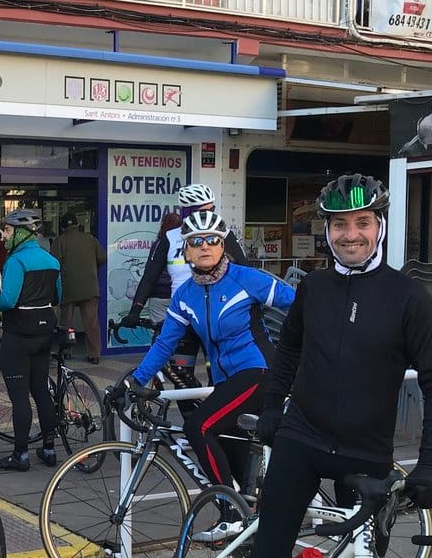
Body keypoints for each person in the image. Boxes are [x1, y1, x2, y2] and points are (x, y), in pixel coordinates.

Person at [213, 174, 432, 558]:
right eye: (340, 225)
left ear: (379, 227)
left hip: (366, 453)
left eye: (362, 223)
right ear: (326, 230)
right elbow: (290, 348)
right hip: (303, 436)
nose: (351, 234)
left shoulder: (407, 298)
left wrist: (428, 465)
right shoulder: (314, 288)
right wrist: (273, 406)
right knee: (272, 544)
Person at [118, 211, 294, 490]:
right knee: (231, 462)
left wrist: (303, 351)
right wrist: (133, 381)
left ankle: (227, 507)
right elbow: (165, 343)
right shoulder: (185, 295)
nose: (205, 246)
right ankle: (240, 517)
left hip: (258, 373)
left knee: (197, 427)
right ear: (185, 250)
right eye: (196, 241)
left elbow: (299, 305)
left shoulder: (246, 279)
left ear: (223, 245)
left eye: (212, 240)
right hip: (225, 382)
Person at [0, 209, 61, 471]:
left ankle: (20, 455)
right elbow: (58, 296)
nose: (4, 236)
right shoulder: (51, 260)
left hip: (18, 335)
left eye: (7, 230)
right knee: (41, 391)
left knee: (19, 396)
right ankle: (49, 449)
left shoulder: (16, 261)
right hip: (44, 333)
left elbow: (8, 300)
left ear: (20, 233)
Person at [122, 183, 248, 329]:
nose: (209, 215)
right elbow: (150, 277)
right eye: (204, 211)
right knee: (170, 351)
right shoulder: (170, 237)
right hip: (181, 314)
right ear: (188, 212)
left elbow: (245, 270)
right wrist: (135, 310)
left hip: (215, 314)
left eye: (212, 210)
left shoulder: (223, 235)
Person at [51, 214, 106, 363]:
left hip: (68, 288)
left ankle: (66, 351)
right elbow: (102, 258)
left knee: (66, 323)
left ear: (62, 227)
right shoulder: (90, 239)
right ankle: (94, 354)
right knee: (91, 323)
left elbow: (53, 263)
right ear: (77, 224)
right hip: (90, 287)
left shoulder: (60, 241)